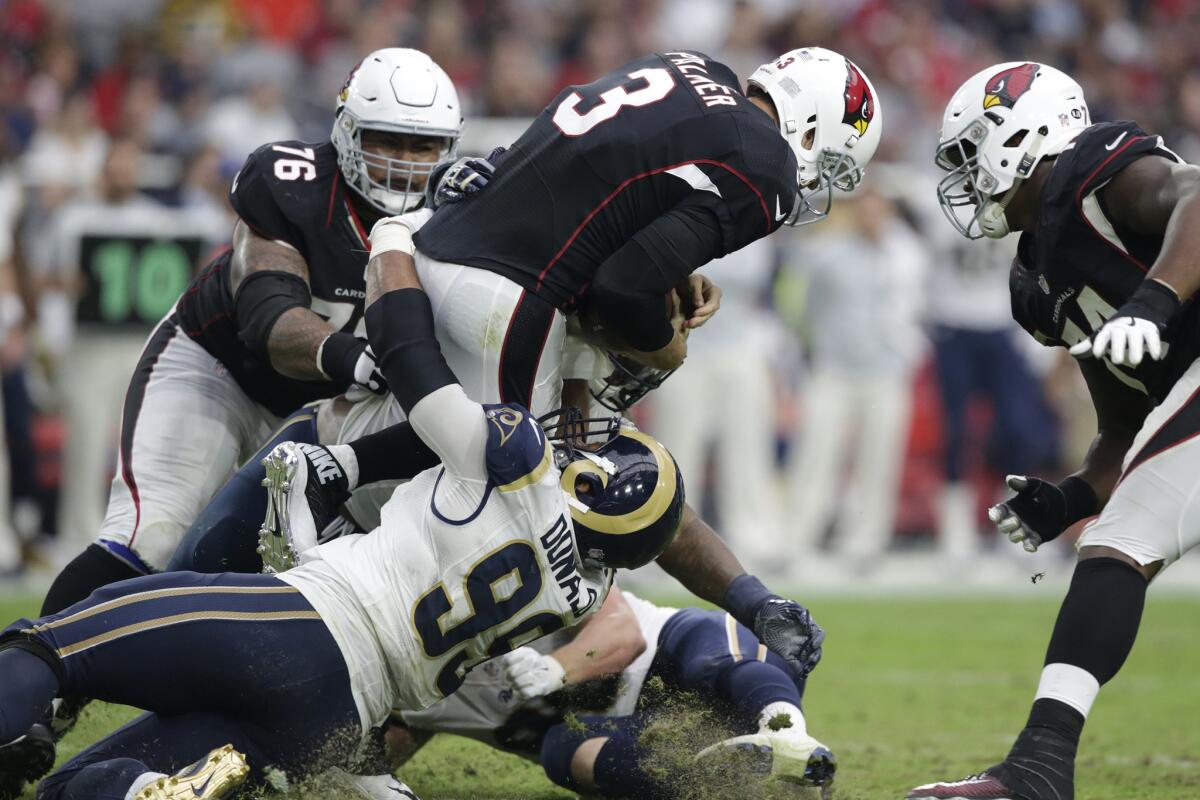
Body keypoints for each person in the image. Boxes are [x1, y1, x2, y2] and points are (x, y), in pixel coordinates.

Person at [0, 216, 688, 800]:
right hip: (340, 713)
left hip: (306, 623)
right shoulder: (578, 593)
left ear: (596, 486)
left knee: (45, 645)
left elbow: (413, 361)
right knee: (75, 786)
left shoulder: (514, 455)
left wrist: (395, 239)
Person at [7, 46, 471, 786]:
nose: (405, 162)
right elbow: (268, 317)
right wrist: (347, 355)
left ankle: (319, 749)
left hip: (326, 417)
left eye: (423, 146)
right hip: (222, 370)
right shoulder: (290, 181)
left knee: (341, 587)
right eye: (387, 140)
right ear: (347, 133)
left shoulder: (457, 207)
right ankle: (27, 689)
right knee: (150, 534)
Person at [909, 61, 1200, 800]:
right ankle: (1038, 769)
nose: (968, 181)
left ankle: (1038, 770)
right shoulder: (1037, 280)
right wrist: (1069, 499)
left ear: (1023, 135)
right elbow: (1126, 429)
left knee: (1122, 543)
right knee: (1114, 536)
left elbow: (1199, 194)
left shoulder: (1100, 177)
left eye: (973, 155)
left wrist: (1155, 303)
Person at [392, 588, 835, 799]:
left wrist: (556, 666)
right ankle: (727, 785)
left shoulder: (502, 568)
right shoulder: (401, 691)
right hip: (646, 738)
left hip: (679, 661)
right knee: (560, 749)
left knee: (708, 654)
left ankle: (787, 733)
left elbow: (623, 634)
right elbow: (357, 758)